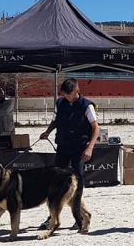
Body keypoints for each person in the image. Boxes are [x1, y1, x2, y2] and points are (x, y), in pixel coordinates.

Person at [39, 78, 100, 229]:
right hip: (62, 146)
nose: (66, 97)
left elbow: (96, 128)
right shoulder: (60, 103)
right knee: (55, 180)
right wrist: (47, 132)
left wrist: (90, 148)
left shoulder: (87, 106)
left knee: (77, 182)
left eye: (69, 94)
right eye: (64, 94)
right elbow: (55, 121)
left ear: (77, 91)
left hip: (79, 148)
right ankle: (52, 216)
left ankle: (78, 215)